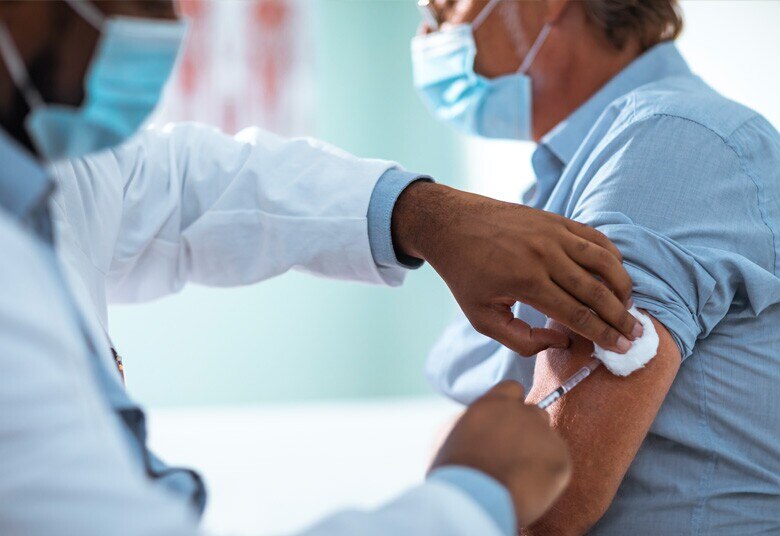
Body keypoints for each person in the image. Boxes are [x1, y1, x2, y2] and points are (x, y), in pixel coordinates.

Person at [0, 0, 640, 534]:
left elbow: (181, 184)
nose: (169, 25)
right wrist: (465, 503)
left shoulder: (44, 160)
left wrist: (419, 214)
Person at [421, 0, 780, 534]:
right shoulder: (565, 180)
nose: (429, 28)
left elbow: (545, 499)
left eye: (447, 5)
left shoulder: (667, 140)